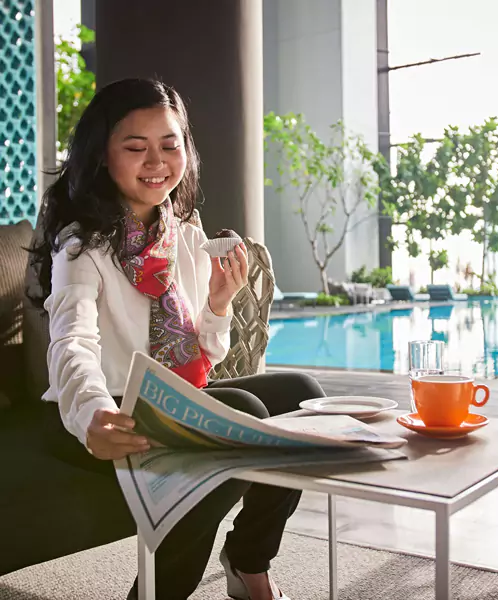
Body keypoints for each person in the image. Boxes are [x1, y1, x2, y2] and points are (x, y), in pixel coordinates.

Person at [30, 78, 326, 600]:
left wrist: (215, 304)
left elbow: (203, 357)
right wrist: (93, 414)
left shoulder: (183, 233)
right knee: (245, 413)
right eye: (135, 147)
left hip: (174, 402)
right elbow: (71, 342)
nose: (156, 161)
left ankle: (247, 560)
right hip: (115, 411)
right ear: (102, 156)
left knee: (303, 396)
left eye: (170, 145)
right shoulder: (81, 248)